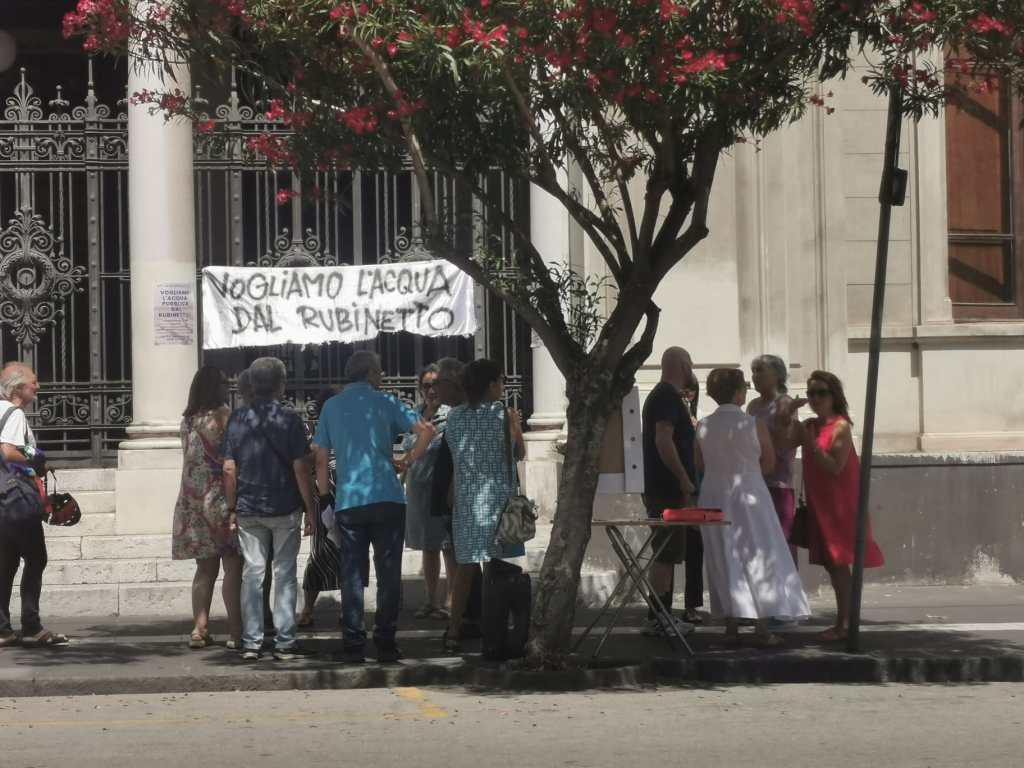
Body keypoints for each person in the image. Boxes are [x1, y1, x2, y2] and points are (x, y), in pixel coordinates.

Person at [313, 351, 434, 664]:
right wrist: (407, 460)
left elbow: (321, 457)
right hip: (387, 496)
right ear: (369, 374)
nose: (381, 377)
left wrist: (324, 497)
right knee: (388, 572)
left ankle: (353, 641)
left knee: (351, 572)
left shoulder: (331, 406)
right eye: (379, 372)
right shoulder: (387, 402)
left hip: (350, 500)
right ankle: (386, 641)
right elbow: (426, 431)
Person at [696, 368, 810, 647]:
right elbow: (769, 462)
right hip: (749, 492)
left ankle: (731, 624)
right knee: (758, 550)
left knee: (723, 553)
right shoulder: (753, 424)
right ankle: (761, 623)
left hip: (713, 492)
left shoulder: (702, 425)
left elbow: (699, 464)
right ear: (737, 392)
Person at [223, 357, 317, 661]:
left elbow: (228, 469)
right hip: (285, 507)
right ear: (281, 384)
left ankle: (252, 642)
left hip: (249, 508)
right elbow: (301, 468)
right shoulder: (289, 419)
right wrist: (310, 509)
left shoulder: (237, 419)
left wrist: (231, 507)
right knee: (285, 572)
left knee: (253, 573)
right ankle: (285, 641)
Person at [442, 359, 526, 654]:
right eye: (501, 380)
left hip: (466, 502)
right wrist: (515, 427)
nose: (503, 386)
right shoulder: (504, 415)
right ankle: (496, 630)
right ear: (490, 385)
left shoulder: (454, 417)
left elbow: (454, 455)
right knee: (499, 569)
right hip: (499, 502)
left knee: (465, 568)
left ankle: (453, 630)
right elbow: (519, 452)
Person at [796, 370, 884, 642]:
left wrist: (810, 446)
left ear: (834, 395)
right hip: (820, 504)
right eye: (811, 393)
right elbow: (781, 439)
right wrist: (786, 411)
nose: (815, 399)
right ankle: (843, 621)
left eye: (821, 393)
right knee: (832, 567)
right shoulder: (810, 425)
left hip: (839, 505)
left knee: (838, 565)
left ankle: (845, 624)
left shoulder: (841, 427)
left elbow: (836, 467)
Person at [171, 366, 242, 650]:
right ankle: (236, 631)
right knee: (232, 565)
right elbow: (230, 460)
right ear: (216, 387)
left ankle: (199, 628)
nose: (228, 387)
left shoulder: (187, 420)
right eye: (224, 382)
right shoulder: (223, 416)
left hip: (191, 500)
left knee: (204, 568)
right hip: (219, 497)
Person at [0, 363, 67, 648]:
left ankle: (3, 629)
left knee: (5, 564)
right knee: (37, 558)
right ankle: (31, 625)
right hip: (17, 500)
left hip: (3, 500)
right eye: (33, 382)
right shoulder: (14, 414)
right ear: (17, 389)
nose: (38, 387)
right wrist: (37, 460)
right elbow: (8, 450)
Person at [640, 347, 701, 636]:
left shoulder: (667, 396)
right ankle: (659, 617)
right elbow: (663, 440)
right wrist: (683, 479)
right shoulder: (665, 396)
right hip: (667, 488)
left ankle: (661, 615)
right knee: (665, 553)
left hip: (665, 487)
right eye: (689, 362)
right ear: (681, 364)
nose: (692, 367)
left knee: (668, 552)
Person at [430, 357, 484, 640]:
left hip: (464, 498)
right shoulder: (456, 413)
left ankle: (467, 619)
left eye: (439, 383)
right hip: (457, 497)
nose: (436, 389)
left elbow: (461, 458)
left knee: (466, 561)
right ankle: (471, 617)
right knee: (466, 560)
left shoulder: (463, 415)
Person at [403, 364, 454, 620]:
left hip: (442, 489)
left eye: (436, 384)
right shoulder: (415, 414)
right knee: (428, 547)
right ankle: (430, 600)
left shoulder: (452, 415)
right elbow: (408, 449)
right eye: (426, 385)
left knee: (448, 547)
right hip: (418, 489)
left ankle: (451, 601)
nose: (431, 390)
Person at [747, 354, 805, 566]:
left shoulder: (784, 402)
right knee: (759, 546)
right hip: (754, 483)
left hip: (778, 485)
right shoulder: (753, 406)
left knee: (782, 545)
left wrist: (787, 415)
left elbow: (787, 438)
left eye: (761, 371)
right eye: (754, 371)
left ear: (777, 376)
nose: (755, 376)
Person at [297, 387, 345, 628]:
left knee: (348, 551)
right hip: (323, 495)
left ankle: (349, 608)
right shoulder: (313, 431)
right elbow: (306, 464)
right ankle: (307, 608)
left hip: (346, 494)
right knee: (320, 552)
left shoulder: (347, 427)